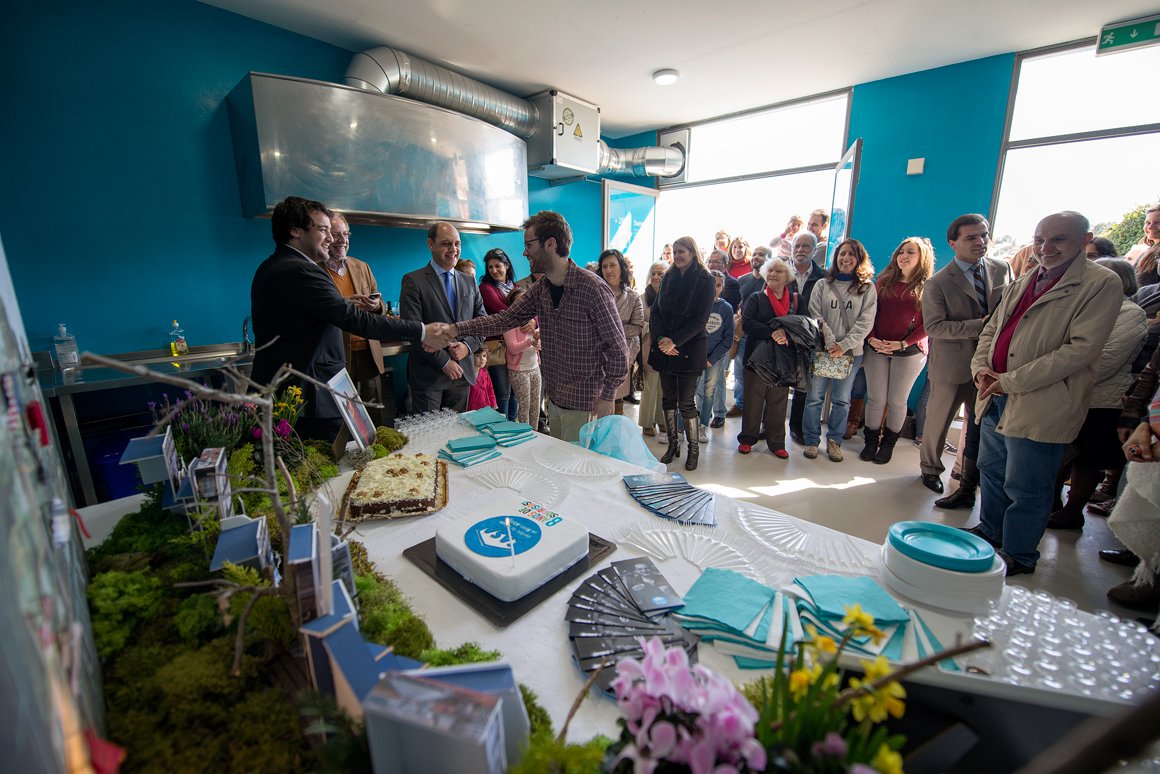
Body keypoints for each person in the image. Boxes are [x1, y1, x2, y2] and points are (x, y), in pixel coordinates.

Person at [966, 211, 1123, 576]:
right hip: (994, 393)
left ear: (1085, 241)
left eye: (1057, 239)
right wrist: (981, 369)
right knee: (992, 470)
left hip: (1041, 401)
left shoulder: (1101, 283)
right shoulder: (1026, 279)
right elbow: (991, 331)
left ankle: (1019, 553)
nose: (1045, 247)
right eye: (1039, 239)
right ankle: (991, 532)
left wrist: (1010, 380)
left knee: (1027, 484)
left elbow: (1079, 351)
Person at [250, 196, 454, 441]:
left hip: (292, 394)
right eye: (323, 230)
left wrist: (344, 305)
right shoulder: (301, 270)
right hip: (309, 397)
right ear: (295, 230)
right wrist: (421, 331)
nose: (330, 238)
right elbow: (355, 320)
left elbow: (308, 316)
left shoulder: (272, 265)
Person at [447, 211, 628, 442]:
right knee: (562, 460)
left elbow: (619, 349)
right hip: (555, 400)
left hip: (586, 403)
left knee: (579, 463)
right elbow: (505, 319)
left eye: (529, 245)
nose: (524, 252)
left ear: (550, 244)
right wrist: (454, 329)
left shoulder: (593, 289)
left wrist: (608, 395)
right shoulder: (542, 288)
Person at [919, 214, 1014, 502]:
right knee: (939, 421)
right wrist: (981, 325)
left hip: (991, 364)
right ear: (953, 243)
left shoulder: (1001, 269)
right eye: (971, 237)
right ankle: (930, 469)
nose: (980, 242)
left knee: (982, 423)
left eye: (984, 235)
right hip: (953, 363)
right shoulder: (937, 283)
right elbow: (935, 327)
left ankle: (969, 477)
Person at [1046, 258, 1145, 529]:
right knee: (1060, 455)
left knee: (1087, 459)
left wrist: (1058, 375)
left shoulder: (1130, 313)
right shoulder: (1086, 306)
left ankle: (1072, 512)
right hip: (1071, 393)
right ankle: (1051, 505)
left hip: (1101, 400)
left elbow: (1109, 359)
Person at [860, 237, 934, 464]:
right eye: (901, 252)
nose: (903, 256)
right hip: (877, 347)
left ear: (922, 257)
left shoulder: (929, 287)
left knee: (897, 401)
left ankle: (888, 445)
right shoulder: (883, 282)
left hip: (909, 351)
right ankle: (870, 442)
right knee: (875, 399)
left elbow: (930, 324)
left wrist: (903, 343)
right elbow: (869, 314)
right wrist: (871, 338)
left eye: (910, 252)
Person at [400, 222, 487, 413]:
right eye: (447, 244)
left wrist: (466, 347)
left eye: (457, 244)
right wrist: (445, 362)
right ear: (430, 244)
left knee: (459, 431)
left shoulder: (469, 281)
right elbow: (413, 331)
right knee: (429, 432)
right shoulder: (413, 281)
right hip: (429, 377)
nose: (453, 249)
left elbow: (482, 323)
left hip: (462, 375)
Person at [802, 239, 877, 462]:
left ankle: (834, 441)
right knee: (814, 397)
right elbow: (815, 314)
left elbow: (866, 321)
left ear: (859, 259)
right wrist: (830, 341)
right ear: (836, 258)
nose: (846, 258)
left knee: (842, 400)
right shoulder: (822, 285)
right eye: (842, 254)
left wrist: (843, 345)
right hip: (822, 350)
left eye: (852, 254)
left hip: (850, 353)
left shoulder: (867, 288)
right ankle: (811, 441)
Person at [319, 211, 393, 426]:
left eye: (346, 234)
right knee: (342, 418)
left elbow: (380, 303)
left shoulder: (362, 267)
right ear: (325, 237)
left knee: (374, 416)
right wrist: (343, 306)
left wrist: (375, 305)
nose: (342, 240)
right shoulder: (315, 270)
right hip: (337, 354)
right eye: (336, 234)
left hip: (368, 353)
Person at [650, 236, 716, 470]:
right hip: (665, 348)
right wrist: (661, 338)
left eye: (682, 251)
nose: (677, 256)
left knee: (686, 402)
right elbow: (656, 312)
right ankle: (673, 445)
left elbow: (700, 320)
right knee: (668, 399)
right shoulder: (668, 277)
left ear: (693, 253)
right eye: (675, 252)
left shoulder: (706, 279)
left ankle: (693, 450)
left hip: (689, 348)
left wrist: (674, 341)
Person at [738, 257, 801, 459]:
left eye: (778, 271)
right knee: (753, 400)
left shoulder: (796, 300)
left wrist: (786, 334)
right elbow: (748, 324)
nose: (773, 274)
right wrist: (773, 332)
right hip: (757, 358)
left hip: (784, 358)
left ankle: (776, 443)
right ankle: (747, 439)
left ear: (787, 276)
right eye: (770, 270)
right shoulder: (756, 298)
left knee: (778, 401)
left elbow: (803, 324)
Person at [787, 231, 826, 443]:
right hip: (783, 336)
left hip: (810, 339)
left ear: (814, 250)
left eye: (806, 246)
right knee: (776, 382)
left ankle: (796, 428)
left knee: (803, 385)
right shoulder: (781, 271)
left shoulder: (824, 277)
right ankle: (770, 425)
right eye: (797, 246)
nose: (801, 250)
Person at [479, 247, 525, 420]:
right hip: (498, 348)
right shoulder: (486, 288)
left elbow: (531, 310)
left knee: (514, 393)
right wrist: (527, 317)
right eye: (490, 267)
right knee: (503, 393)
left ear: (506, 265)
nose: (494, 270)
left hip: (517, 347)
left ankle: (512, 427)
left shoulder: (516, 287)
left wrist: (533, 320)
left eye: (497, 266)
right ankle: (501, 428)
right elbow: (505, 312)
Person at [597, 249, 644, 415]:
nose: (608, 270)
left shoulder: (633, 296)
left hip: (622, 356)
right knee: (597, 404)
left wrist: (611, 329)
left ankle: (615, 430)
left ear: (621, 267)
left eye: (612, 265)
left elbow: (637, 327)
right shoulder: (596, 292)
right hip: (597, 356)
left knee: (617, 403)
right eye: (604, 266)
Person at [695, 270, 735, 444]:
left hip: (714, 359)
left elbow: (728, 339)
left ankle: (704, 425)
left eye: (718, 285)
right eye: (711, 285)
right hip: (695, 357)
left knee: (709, 392)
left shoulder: (726, 308)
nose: (714, 289)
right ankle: (683, 426)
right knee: (691, 392)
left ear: (722, 287)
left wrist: (712, 359)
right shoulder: (696, 305)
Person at [501, 288, 542, 426]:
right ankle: (526, 433)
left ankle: (535, 432)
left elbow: (540, 342)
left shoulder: (533, 320)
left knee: (535, 405)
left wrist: (538, 342)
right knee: (524, 406)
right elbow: (513, 348)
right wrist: (530, 341)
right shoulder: (509, 322)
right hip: (519, 371)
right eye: (519, 301)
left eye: (526, 300)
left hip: (535, 366)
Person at [639, 262, 669, 437]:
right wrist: (655, 328)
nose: (656, 277)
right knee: (650, 386)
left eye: (661, 274)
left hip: (667, 346)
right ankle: (646, 422)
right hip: (648, 346)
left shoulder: (671, 296)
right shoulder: (642, 298)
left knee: (663, 386)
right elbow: (638, 323)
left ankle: (661, 419)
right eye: (654, 273)